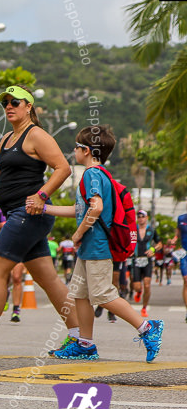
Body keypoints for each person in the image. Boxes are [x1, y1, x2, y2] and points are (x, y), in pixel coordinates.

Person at [0, 86, 78, 357]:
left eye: (15, 102)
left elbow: (63, 168)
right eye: (5, 102)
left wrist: (42, 195)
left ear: (28, 106)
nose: (9, 106)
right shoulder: (7, 138)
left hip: (28, 214)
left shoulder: (37, 135)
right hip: (20, 215)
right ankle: (82, 339)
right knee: (49, 279)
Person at [43, 125, 164, 362]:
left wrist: (77, 235)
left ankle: (147, 327)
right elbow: (80, 209)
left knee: (102, 294)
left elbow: (95, 207)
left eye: (77, 147)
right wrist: (45, 208)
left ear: (86, 150)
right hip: (91, 248)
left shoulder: (91, 175)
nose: (74, 151)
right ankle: (85, 345)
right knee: (80, 294)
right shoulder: (100, 175)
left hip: (97, 246)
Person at [131, 210, 156, 317]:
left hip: (147, 260)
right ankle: (138, 292)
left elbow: (159, 243)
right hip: (136, 260)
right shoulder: (133, 230)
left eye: (143, 216)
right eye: (139, 216)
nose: (141, 218)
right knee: (137, 286)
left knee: (147, 284)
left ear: (146, 218)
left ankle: (144, 308)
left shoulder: (151, 230)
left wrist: (153, 250)